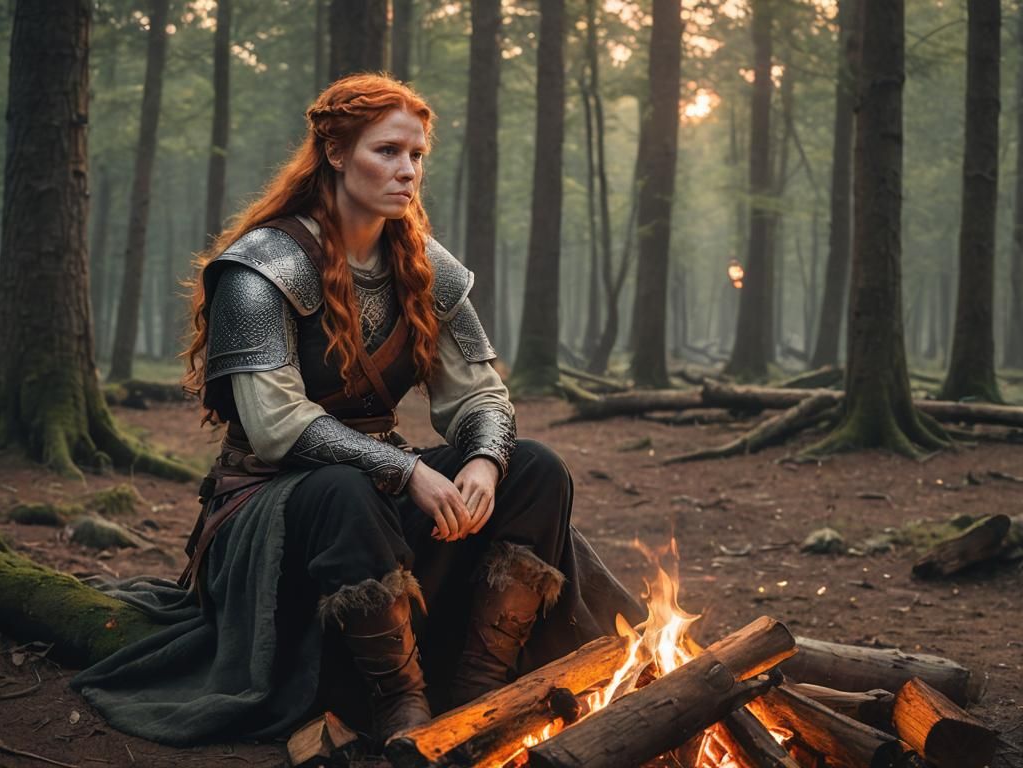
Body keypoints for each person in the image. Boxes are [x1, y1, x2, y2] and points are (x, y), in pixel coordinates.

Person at [71, 74, 638, 749]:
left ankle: (480, 689)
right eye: (388, 151)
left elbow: (482, 394)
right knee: (344, 489)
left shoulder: (430, 269)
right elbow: (278, 426)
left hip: (371, 493)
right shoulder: (261, 269)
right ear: (336, 153)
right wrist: (407, 473)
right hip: (272, 507)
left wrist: (484, 462)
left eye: (417, 155)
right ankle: (400, 699)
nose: (407, 170)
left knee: (538, 468)